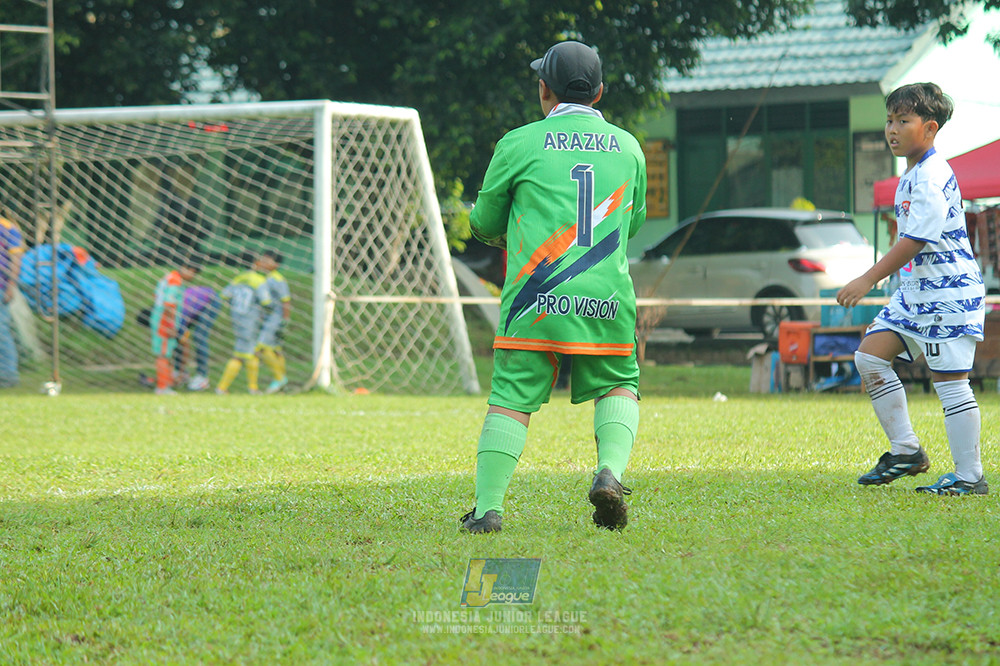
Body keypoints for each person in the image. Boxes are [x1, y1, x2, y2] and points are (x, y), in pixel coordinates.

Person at [459, 40, 648, 533]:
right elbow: (636, 220)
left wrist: (510, 230)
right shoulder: (629, 147)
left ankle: (487, 511)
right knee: (618, 384)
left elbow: (482, 222)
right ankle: (610, 472)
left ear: (543, 88)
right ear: (600, 92)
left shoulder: (517, 144)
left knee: (511, 398)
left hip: (534, 299)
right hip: (606, 299)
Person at [838, 82, 987, 496]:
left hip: (948, 294)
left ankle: (970, 477)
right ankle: (906, 451)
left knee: (951, 384)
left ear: (930, 129)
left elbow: (916, 239)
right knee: (869, 358)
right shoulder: (911, 175)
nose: (893, 129)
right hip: (916, 295)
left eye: (904, 120)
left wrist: (868, 277)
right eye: (889, 120)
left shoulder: (933, 174)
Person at [216, 255, 271, 395]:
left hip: (236, 319)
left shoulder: (238, 278)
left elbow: (224, 295)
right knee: (240, 354)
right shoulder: (258, 280)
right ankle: (221, 388)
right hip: (250, 320)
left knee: (251, 352)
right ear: (256, 263)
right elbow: (266, 302)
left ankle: (253, 388)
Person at [150, 257, 201, 395]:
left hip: (161, 317)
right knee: (163, 354)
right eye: (193, 273)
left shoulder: (169, 277)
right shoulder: (175, 280)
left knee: (166, 353)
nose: (193, 277)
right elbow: (169, 305)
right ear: (187, 269)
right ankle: (162, 387)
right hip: (164, 319)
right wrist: (171, 325)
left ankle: (166, 384)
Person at [255, 250, 292, 394]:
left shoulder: (277, 279)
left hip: (276, 318)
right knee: (276, 350)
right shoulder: (268, 278)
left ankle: (279, 378)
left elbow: (286, 300)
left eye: (267, 260)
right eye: (262, 259)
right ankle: (282, 381)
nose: (263, 262)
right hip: (269, 318)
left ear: (276, 264)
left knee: (262, 347)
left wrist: (285, 320)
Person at [175, 285, 220, 391]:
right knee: (177, 340)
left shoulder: (178, 318)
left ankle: (202, 377)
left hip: (210, 301)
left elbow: (185, 344)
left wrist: (180, 372)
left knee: (199, 337)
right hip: (195, 304)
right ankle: (180, 372)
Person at [0, 213, 24, 388]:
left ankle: (8, 376)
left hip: (1, 287)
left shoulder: (9, 228)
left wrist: (11, 286)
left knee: (1, 332)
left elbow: (16, 260)